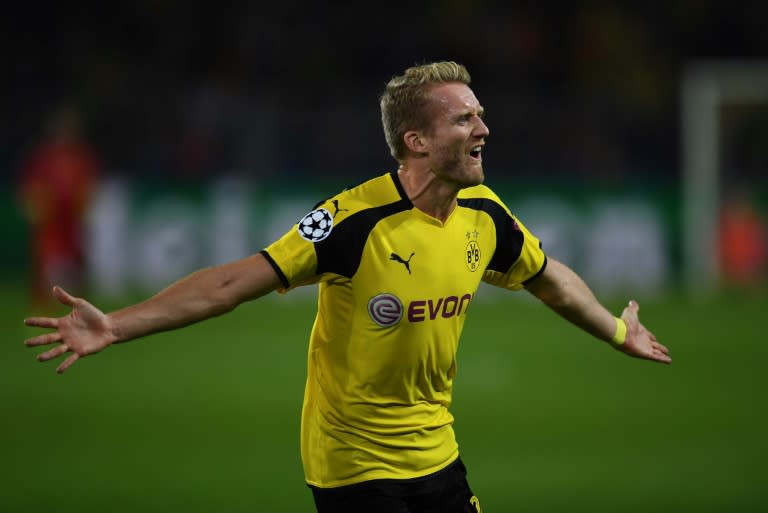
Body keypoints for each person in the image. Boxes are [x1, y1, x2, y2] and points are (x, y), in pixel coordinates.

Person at [24, 61, 671, 513]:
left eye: (481, 115)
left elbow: (549, 277)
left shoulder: (486, 214)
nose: (483, 130)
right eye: (464, 120)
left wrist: (616, 331)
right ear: (415, 140)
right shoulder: (350, 221)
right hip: (354, 466)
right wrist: (117, 322)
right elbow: (230, 282)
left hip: (438, 454)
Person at [17, 104, 101, 311]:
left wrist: (86, 205)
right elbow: (31, 187)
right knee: (46, 262)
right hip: (51, 221)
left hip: (72, 220)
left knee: (78, 262)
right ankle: (41, 308)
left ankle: (83, 308)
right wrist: (34, 206)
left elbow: (89, 185)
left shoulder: (81, 157)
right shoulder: (43, 158)